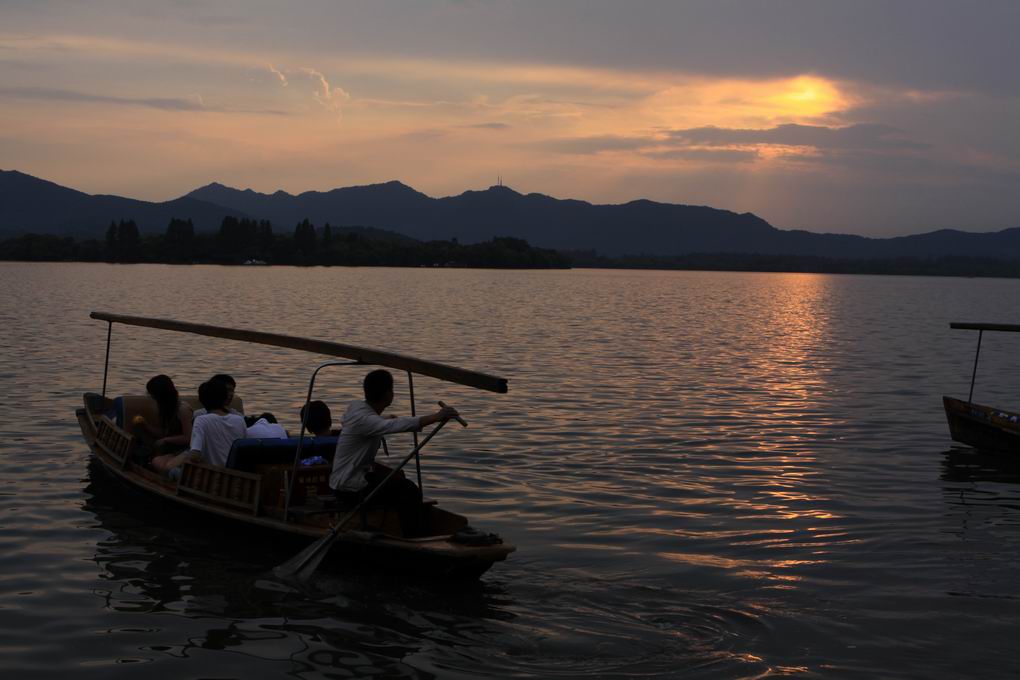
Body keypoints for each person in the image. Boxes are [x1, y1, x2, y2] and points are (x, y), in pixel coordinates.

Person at [329, 369, 458, 537]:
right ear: (387, 393)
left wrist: (386, 418)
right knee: (408, 490)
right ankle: (413, 537)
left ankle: (403, 526)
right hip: (348, 486)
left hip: (355, 477)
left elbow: (377, 422)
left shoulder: (359, 409)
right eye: (391, 389)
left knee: (399, 480)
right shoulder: (364, 418)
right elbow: (388, 425)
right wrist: (436, 416)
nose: (393, 392)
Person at [152, 379, 247, 475]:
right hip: (234, 473)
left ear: (202, 400)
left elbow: (195, 455)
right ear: (224, 398)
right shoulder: (239, 420)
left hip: (210, 475)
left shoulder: (201, 420)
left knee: (164, 465)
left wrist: (177, 461)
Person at [134, 374, 193, 460]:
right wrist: (146, 426)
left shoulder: (183, 409)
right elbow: (166, 432)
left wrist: (166, 440)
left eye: (153, 395)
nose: (153, 398)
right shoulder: (166, 408)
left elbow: (189, 438)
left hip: (184, 450)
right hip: (172, 446)